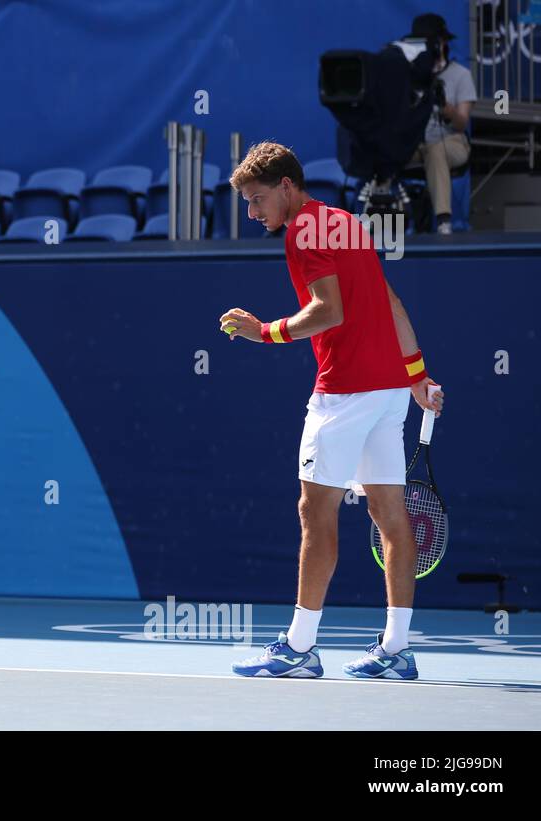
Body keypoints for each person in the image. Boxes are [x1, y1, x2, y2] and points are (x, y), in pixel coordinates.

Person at [220, 142, 443, 680]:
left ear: (287, 188)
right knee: (390, 515)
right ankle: (397, 649)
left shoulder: (301, 232)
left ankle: (299, 647)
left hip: (343, 394)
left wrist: (265, 332)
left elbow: (329, 310)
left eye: (257, 200)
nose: (253, 214)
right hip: (388, 391)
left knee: (314, 512)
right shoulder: (344, 221)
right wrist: (416, 378)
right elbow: (390, 302)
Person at [404, 13, 476, 234]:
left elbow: (462, 123)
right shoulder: (408, 76)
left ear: (443, 43)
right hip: (417, 142)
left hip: (452, 141)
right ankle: (386, 221)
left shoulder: (461, 75)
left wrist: (446, 107)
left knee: (436, 151)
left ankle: (444, 222)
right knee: (388, 149)